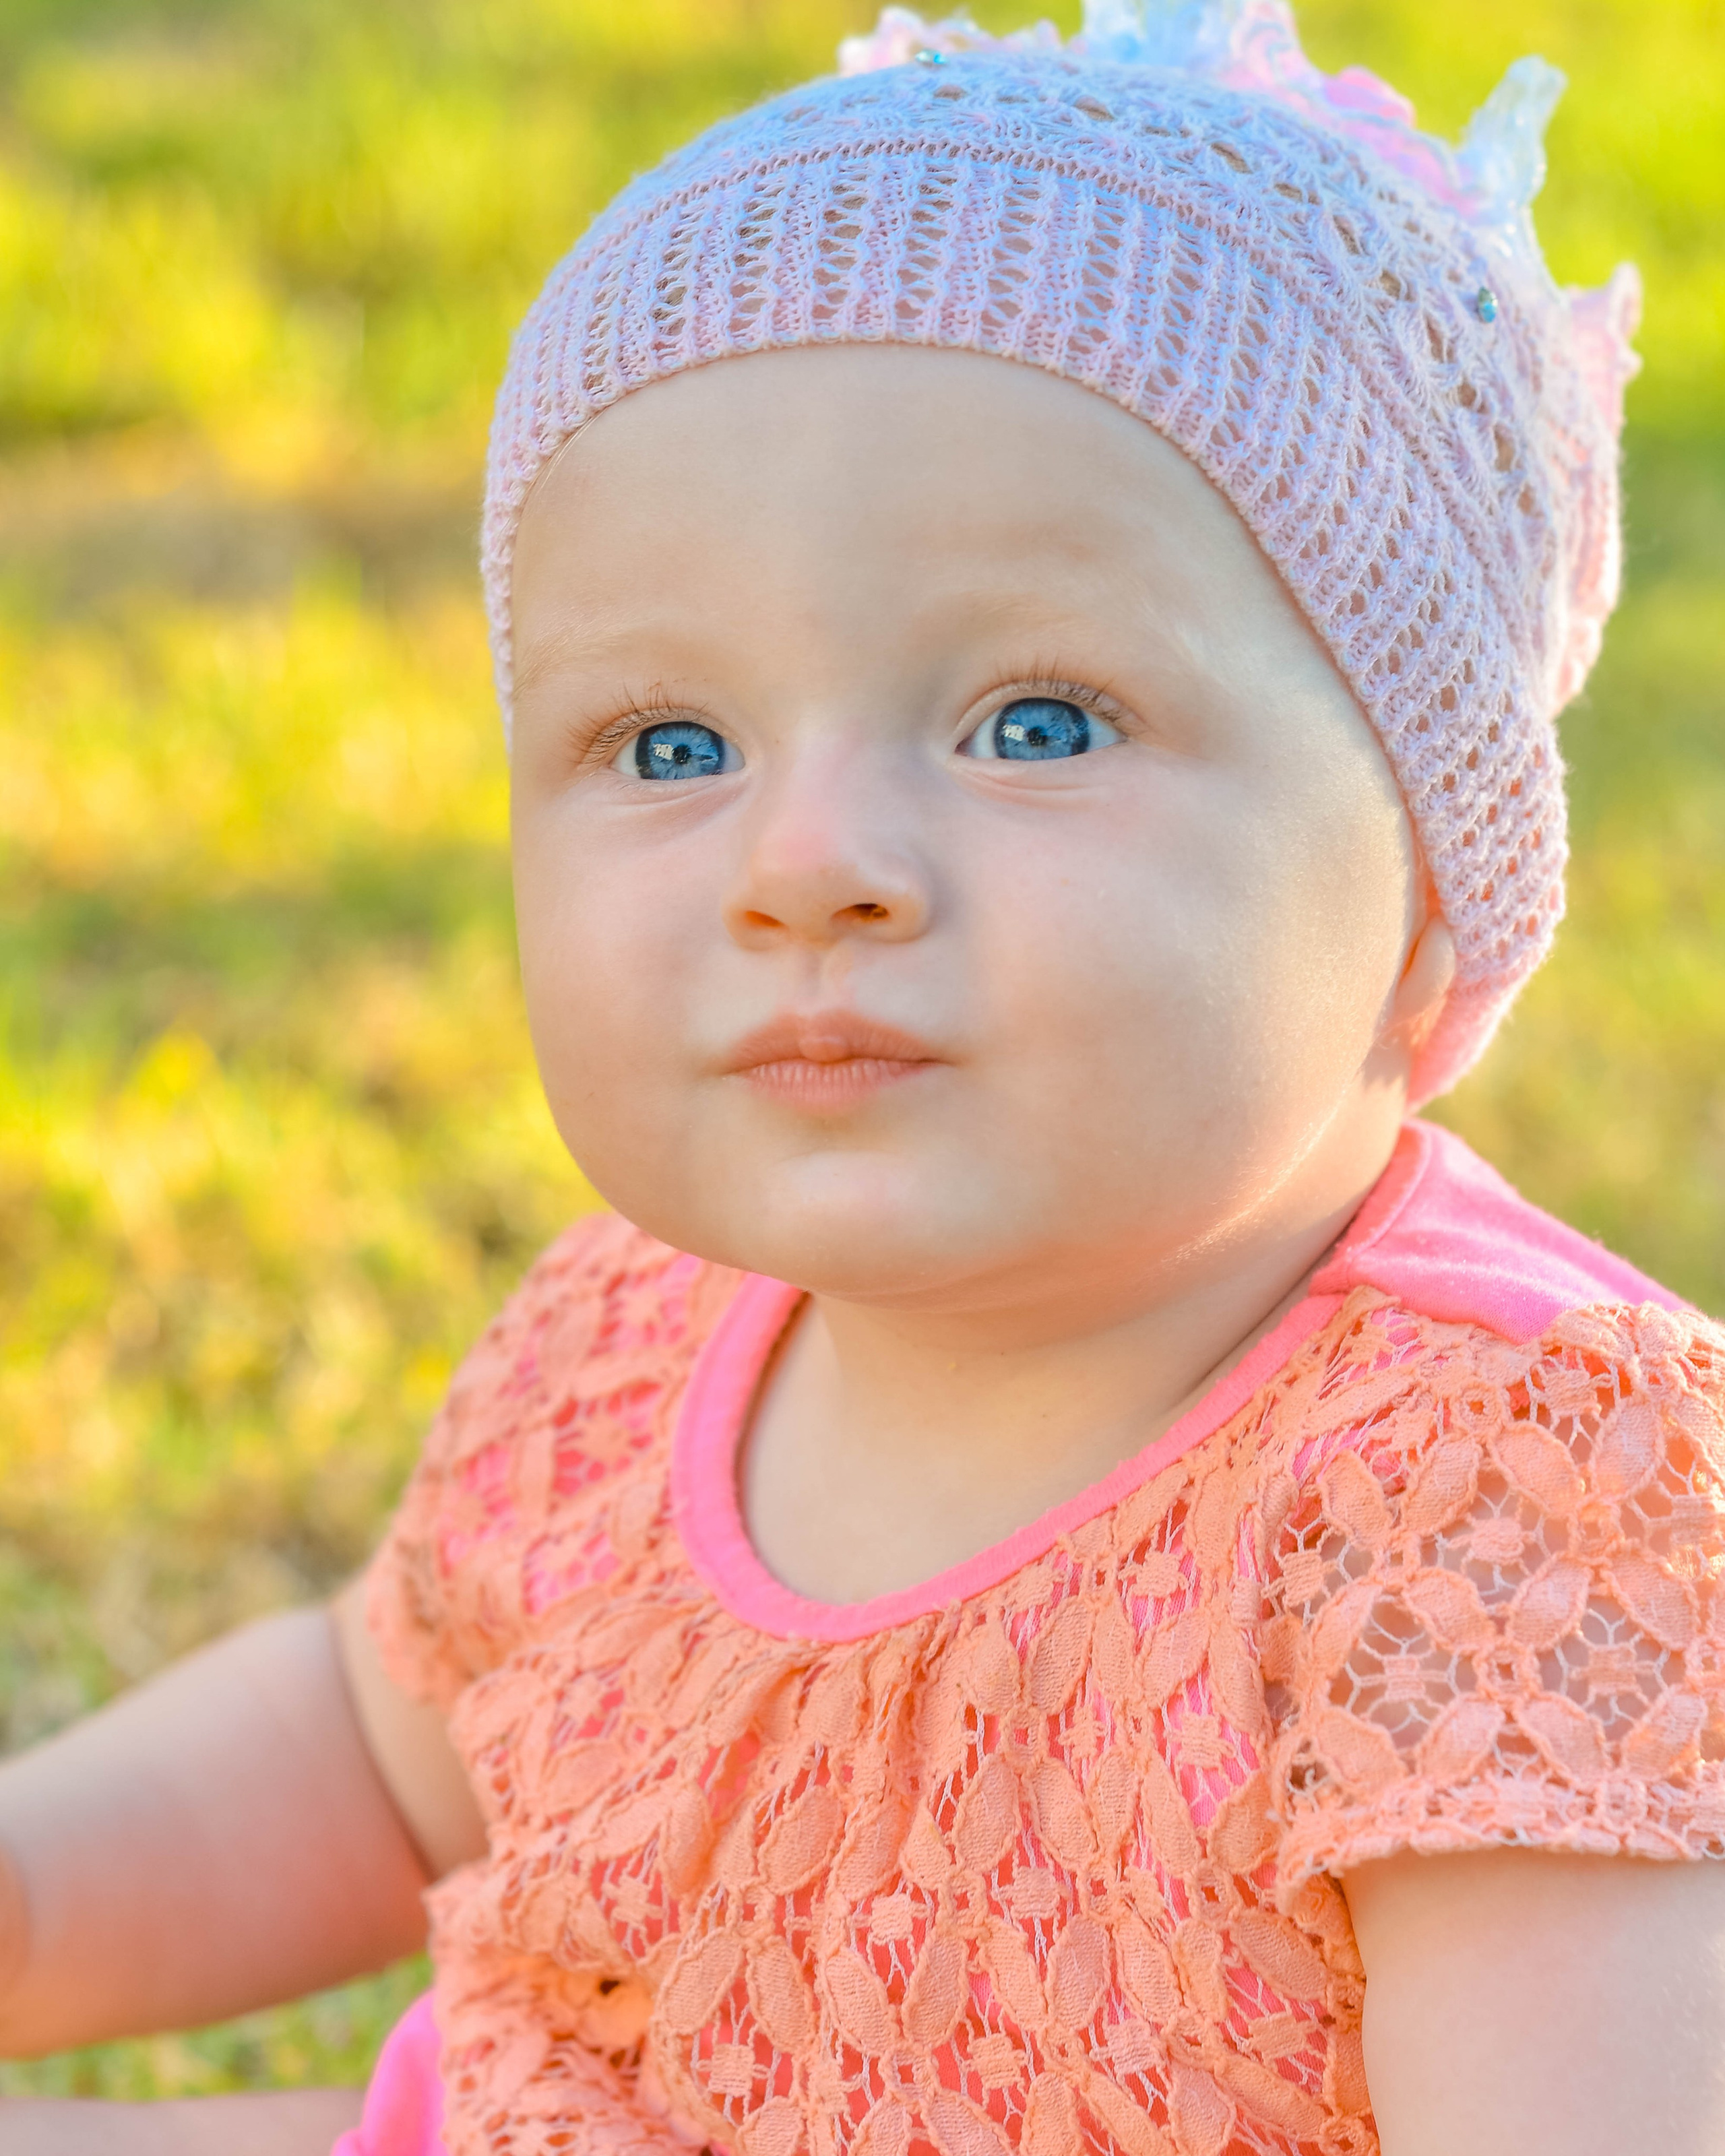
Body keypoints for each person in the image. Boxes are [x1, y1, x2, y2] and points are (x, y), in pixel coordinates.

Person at [4, 3, 1722, 2153]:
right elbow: (375, 1754)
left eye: (1036, 722)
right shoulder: (641, 1341)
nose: (805, 863)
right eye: (670, 747)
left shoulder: (1495, 1501)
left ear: (1434, 883)